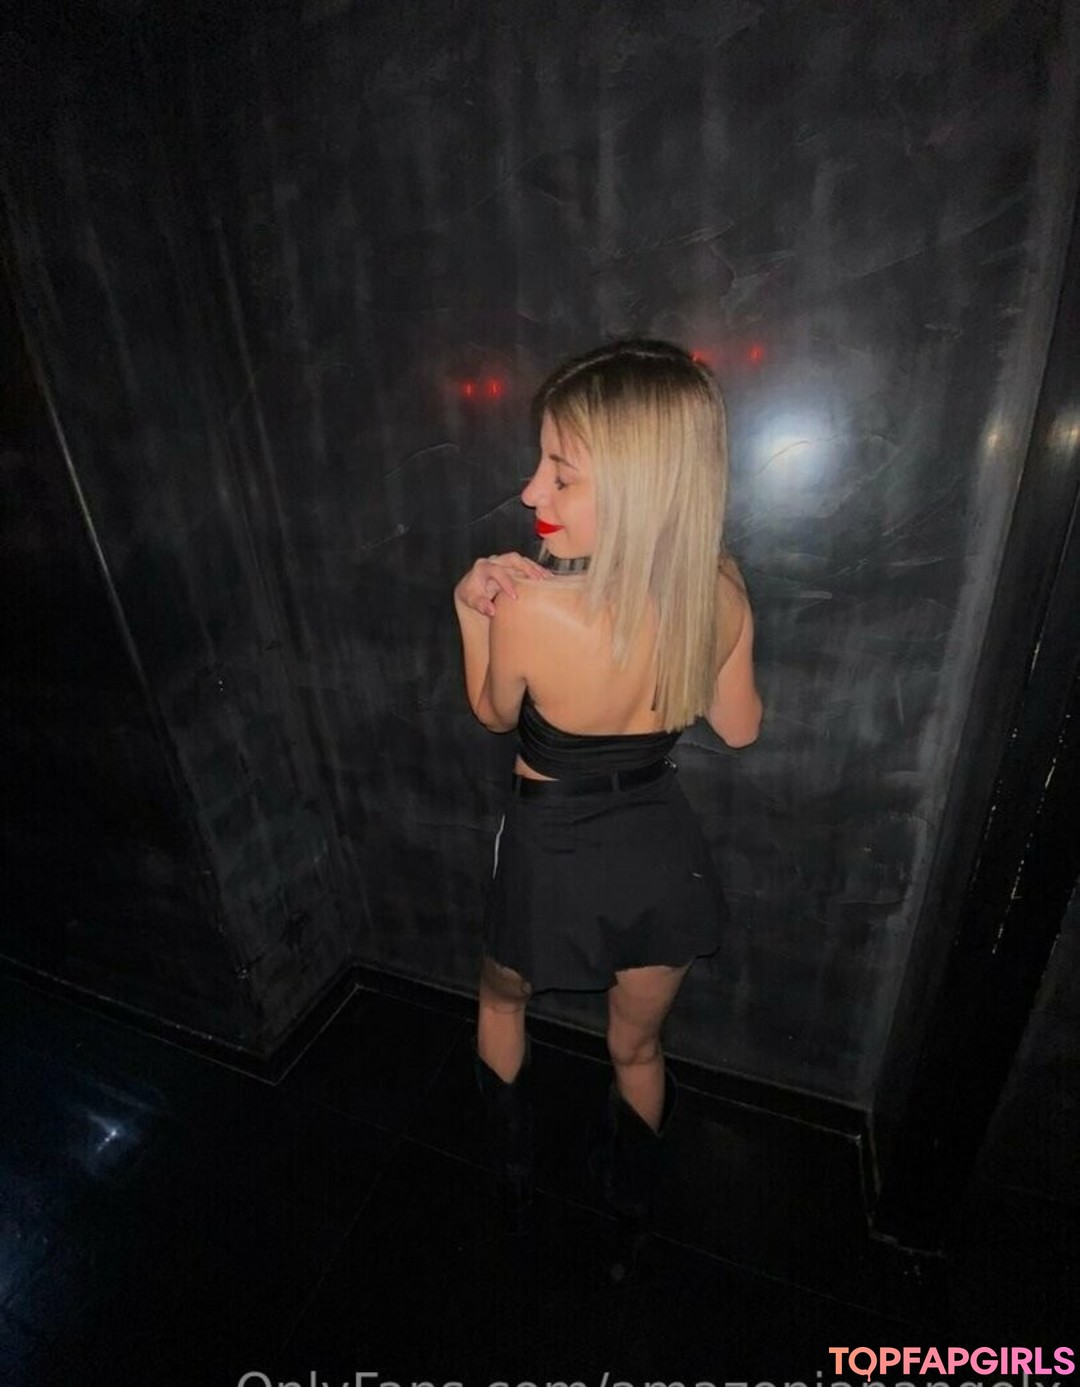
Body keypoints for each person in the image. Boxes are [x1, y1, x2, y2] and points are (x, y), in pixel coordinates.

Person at [452, 338, 761, 1257]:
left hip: (549, 849)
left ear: (639, 487)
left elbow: (491, 713)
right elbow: (739, 727)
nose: (530, 492)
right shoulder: (723, 591)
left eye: (560, 472)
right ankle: (632, 1205)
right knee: (637, 1047)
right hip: (662, 855)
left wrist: (473, 609)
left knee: (500, 1000)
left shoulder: (529, 607)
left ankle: (512, 1180)